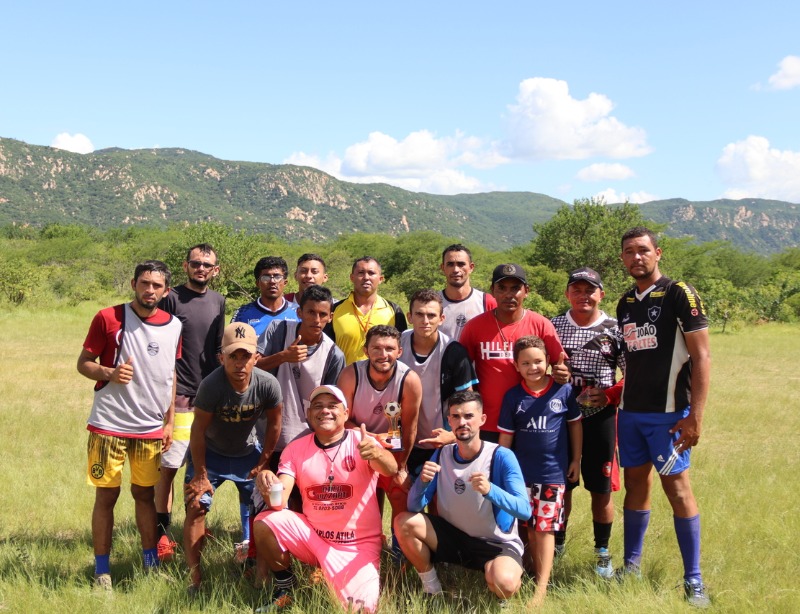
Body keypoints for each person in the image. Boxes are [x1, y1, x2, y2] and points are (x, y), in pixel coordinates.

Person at [616, 227, 711, 607]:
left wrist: (696, 416)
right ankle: (631, 566)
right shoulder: (625, 302)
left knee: (678, 490)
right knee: (635, 486)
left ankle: (694, 580)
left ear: (658, 253)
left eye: (643, 250)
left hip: (668, 417)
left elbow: (702, 356)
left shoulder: (679, 293)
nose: (636, 257)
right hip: (630, 415)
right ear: (622, 258)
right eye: (629, 252)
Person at [77, 260, 182, 590]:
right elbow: (84, 364)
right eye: (144, 283)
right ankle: (102, 572)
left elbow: (170, 376)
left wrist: (169, 422)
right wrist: (109, 372)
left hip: (150, 428)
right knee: (106, 496)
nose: (150, 290)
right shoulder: (108, 318)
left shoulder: (174, 326)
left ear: (166, 291)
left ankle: (150, 565)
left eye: (157, 285)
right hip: (109, 424)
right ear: (134, 283)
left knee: (145, 495)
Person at [252, 385, 397, 613]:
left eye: (332, 406)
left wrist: (378, 454)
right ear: (309, 414)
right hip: (314, 539)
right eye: (318, 406)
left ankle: (331, 576)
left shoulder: (362, 441)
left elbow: (391, 469)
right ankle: (286, 588)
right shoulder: (295, 449)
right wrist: (268, 483)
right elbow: (278, 503)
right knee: (265, 522)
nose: (325, 411)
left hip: (357, 545)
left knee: (361, 610)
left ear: (345, 413)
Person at [395, 390, 531, 607]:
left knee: (504, 583)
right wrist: (422, 482)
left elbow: (525, 510)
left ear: (482, 419)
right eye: (456, 416)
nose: (462, 422)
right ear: (449, 421)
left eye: (469, 416)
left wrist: (491, 490)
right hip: (454, 538)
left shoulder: (501, 455)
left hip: (495, 543)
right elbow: (413, 506)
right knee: (403, 522)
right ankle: (432, 590)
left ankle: (500, 592)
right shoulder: (442, 454)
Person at [183, 322, 283, 593]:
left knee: (264, 508)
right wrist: (200, 475)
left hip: (246, 453)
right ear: (221, 358)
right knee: (196, 506)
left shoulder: (268, 384)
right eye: (233, 356)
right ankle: (195, 579)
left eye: (246, 356)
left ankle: (258, 574)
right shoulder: (211, 385)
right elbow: (197, 431)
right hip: (209, 453)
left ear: (256, 358)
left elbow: (275, 424)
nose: (239, 363)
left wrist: (264, 462)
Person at [550, 266, 625, 574]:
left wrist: (610, 395)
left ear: (601, 294)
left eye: (589, 290)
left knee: (601, 488)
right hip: (560, 417)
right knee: (561, 486)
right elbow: (535, 366)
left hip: (600, 418)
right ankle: (557, 545)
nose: (583, 296)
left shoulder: (615, 329)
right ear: (567, 294)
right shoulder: (553, 325)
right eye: (577, 290)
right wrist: (552, 374)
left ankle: (602, 552)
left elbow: (633, 373)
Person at [155, 243, 227, 562]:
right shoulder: (171, 298)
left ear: (216, 270)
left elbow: (218, 348)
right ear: (185, 266)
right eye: (195, 263)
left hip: (209, 396)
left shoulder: (218, 301)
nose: (201, 268)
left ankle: (194, 525)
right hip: (179, 394)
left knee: (199, 466)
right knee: (169, 468)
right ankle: (161, 533)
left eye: (206, 264)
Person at [497, 336, 582, 606]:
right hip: (520, 475)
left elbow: (575, 426)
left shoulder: (563, 391)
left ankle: (541, 589)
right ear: (516, 366)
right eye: (525, 363)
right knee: (527, 528)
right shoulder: (513, 396)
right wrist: (500, 470)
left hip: (551, 475)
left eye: (538, 361)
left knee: (544, 530)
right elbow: (506, 438)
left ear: (547, 362)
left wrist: (576, 460)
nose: (532, 367)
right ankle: (529, 573)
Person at [459, 263, 569, 442]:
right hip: (488, 421)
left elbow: (561, 364)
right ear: (492, 291)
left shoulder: (541, 325)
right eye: (502, 288)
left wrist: (563, 372)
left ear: (526, 291)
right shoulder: (474, 327)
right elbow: (461, 372)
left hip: (531, 422)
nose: (508, 294)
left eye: (515, 288)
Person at [336, 325, 422, 533]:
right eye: (376, 348)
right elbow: (341, 421)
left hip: (391, 448)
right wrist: (373, 438)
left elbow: (410, 429)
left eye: (390, 349)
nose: (383, 355)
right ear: (366, 350)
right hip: (356, 445)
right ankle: (367, 541)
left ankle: (400, 547)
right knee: (359, 496)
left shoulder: (409, 380)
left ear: (399, 352)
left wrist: (401, 468)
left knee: (400, 491)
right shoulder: (351, 375)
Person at [256, 285, 346, 464]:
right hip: (265, 434)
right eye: (311, 312)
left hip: (307, 441)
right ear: (299, 312)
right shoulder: (278, 329)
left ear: (330, 317)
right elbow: (251, 369)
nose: (316, 320)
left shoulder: (334, 354)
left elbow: (330, 403)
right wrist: (283, 357)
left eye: (322, 314)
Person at [399, 289, 478, 475]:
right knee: (403, 491)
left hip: (442, 441)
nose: (425, 321)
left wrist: (452, 435)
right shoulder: (396, 345)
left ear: (441, 319)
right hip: (402, 440)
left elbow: (469, 402)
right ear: (410, 317)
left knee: (438, 492)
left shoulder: (454, 351)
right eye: (419, 314)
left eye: (431, 315)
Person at [328, 256, 407, 365]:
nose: (366, 277)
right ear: (352, 277)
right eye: (361, 273)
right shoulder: (335, 310)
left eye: (371, 273)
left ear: (380, 279)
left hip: (383, 375)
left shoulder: (394, 311)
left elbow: (402, 350)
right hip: (344, 375)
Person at [438, 243, 496, 341]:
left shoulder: (487, 302)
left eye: (461, 264)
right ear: (443, 268)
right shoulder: (433, 302)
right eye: (450, 264)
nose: (456, 270)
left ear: (471, 267)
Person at [231, 256, 298, 336]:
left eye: (277, 277)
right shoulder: (242, 314)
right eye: (266, 277)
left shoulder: (298, 312)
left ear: (285, 282)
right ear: (257, 283)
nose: (272, 281)